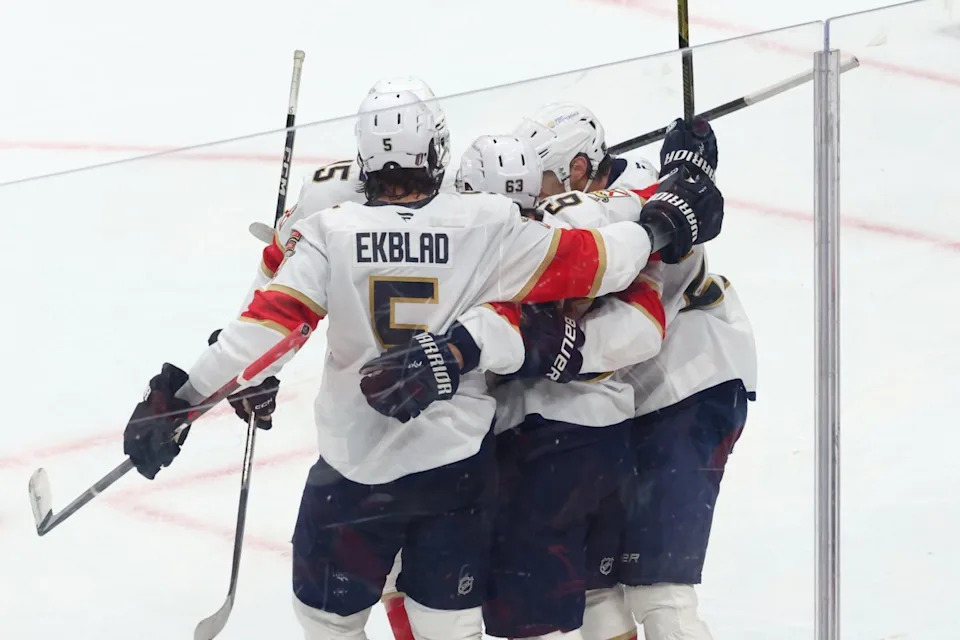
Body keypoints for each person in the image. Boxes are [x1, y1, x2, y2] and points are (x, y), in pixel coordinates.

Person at [121, 91, 723, 639]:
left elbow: (264, 329)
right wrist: (663, 219)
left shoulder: (332, 230)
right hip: (455, 475)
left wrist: (182, 399)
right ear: (438, 151)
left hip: (354, 476)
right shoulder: (486, 226)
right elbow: (600, 263)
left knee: (330, 627)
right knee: (451, 631)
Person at [518, 103, 757, 640]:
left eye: (543, 179)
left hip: (688, 389)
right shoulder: (629, 195)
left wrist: (693, 179)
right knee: (595, 589)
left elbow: (639, 318)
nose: (533, 195)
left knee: (659, 593)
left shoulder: (634, 200)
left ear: (578, 168)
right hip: (618, 406)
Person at [455, 134, 668, 640]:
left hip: (537, 448)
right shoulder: (596, 217)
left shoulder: (475, 251)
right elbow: (646, 323)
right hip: (613, 442)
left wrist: (560, 347)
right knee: (597, 596)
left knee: (531, 622)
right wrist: (677, 190)